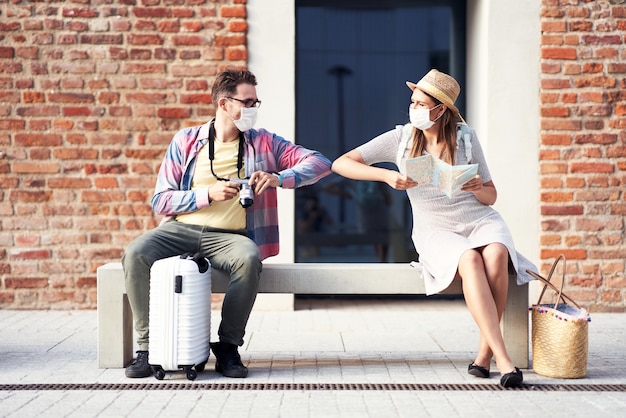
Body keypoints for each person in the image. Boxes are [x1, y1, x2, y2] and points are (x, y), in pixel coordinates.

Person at [331, 69, 536, 388]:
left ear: (441, 110)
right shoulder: (400, 138)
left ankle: (484, 356)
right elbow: (341, 163)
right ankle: (505, 359)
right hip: (435, 227)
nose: (413, 108)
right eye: (412, 101)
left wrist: (477, 187)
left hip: (478, 218)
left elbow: (491, 196)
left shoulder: (466, 137)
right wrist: (387, 177)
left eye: (421, 103)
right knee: (469, 260)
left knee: (496, 253)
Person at [122, 68, 332, 379]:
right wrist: (207, 194)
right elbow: (161, 200)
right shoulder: (187, 141)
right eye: (247, 102)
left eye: (256, 103)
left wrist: (279, 178)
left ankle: (228, 347)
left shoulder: (264, 143)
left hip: (232, 236)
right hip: (181, 229)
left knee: (248, 259)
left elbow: (321, 163)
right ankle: (147, 347)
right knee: (136, 252)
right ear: (223, 103)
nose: (253, 109)